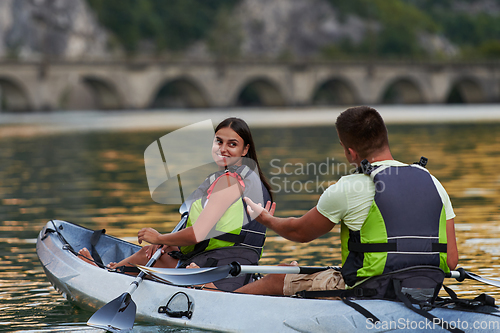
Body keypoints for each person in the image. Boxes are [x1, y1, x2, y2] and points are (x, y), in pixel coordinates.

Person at [238, 106, 458, 296]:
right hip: (425, 289)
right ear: (385, 137)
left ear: (351, 153)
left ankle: (220, 303)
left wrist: (266, 219)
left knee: (280, 276)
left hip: (370, 290)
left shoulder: (349, 186)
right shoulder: (433, 182)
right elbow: (451, 262)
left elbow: (299, 232)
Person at [78, 117, 274, 291]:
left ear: (245, 149)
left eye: (232, 144)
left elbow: (199, 233)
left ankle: (108, 274)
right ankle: (115, 270)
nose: (223, 149)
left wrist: (159, 237)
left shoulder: (228, 181)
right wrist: (168, 241)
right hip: (240, 271)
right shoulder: (255, 182)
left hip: (215, 269)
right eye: (218, 142)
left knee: (149, 251)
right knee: (163, 248)